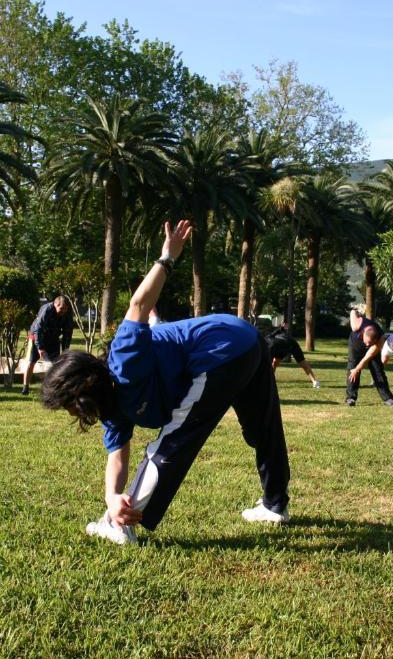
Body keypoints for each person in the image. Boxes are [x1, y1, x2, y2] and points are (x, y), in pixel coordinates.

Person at [41, 220, 291, 546]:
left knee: (175, 440)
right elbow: (117, 455)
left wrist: (167, 258)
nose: (71, 413)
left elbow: (139, 305)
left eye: (68, 404)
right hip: (246, 341)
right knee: (262, 428)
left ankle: (120, 527)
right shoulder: (112, 409)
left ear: (82, 390)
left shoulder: (123, 359)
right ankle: (275, 505)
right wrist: (112, 497)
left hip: (221, 348)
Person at [21, 295, 73, 396]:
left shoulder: (67, 313)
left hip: (53, 338)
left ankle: (55, 388)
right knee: (31, 362)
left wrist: (65, 350)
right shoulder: (47, 310)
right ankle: (25, 387)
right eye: (61, 309)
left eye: (65, 309)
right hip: (36, 336)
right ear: (55, 304)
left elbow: (68, 331)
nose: (63, 312)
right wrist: (40, 347)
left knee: (57, 364)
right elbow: (38, 328)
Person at [345, 305, 393, 407]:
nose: (367, 345)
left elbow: (366, 358)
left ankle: (388, 398)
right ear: (363, 334)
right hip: (355, 345)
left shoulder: (380, 339)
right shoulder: (356, 325)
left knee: (378, 370)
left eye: (370, 343)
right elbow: (352, 313)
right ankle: (351, 398)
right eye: (367, 342)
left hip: (372, 350)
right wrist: (356, 311)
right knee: (352, 369)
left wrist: (358, 369)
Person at [264, 323, 320, 388]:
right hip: (284, 344)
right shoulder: (267, 338)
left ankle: (315, 381)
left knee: (302, 363)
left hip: (290, 344)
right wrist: (281, 328)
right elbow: (275, 332)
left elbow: (266, 365)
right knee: (275, 363)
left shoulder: (267, 345)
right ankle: (315, 381)